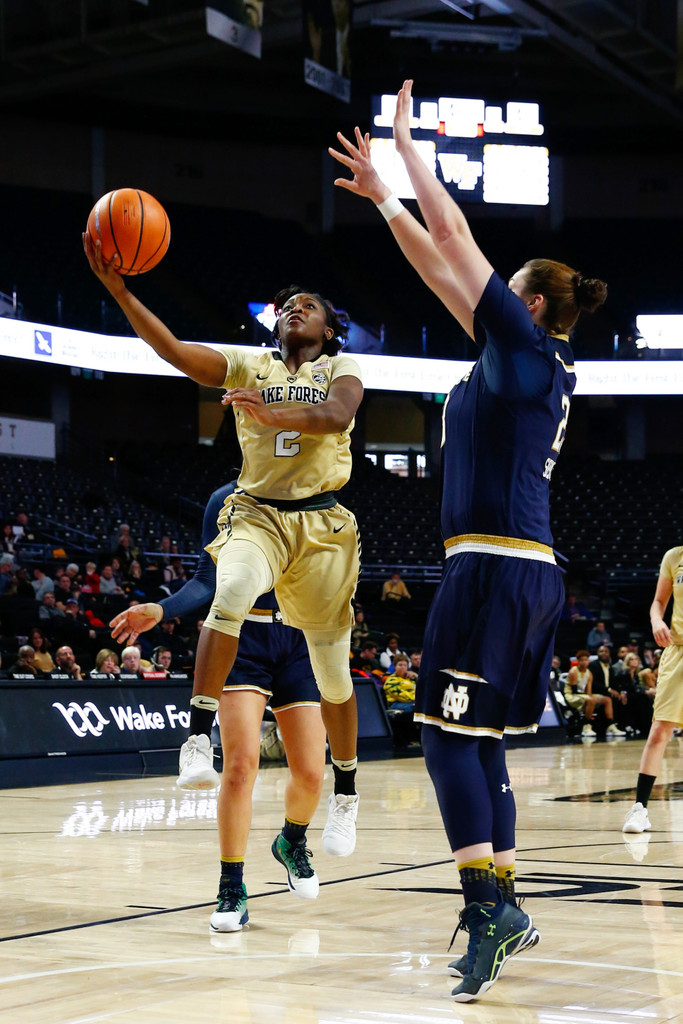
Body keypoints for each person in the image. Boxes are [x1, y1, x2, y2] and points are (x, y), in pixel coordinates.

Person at [330, 79, 608, 1002]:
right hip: (523, 572)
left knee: (442, 742)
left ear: (527, 305)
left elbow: (455, 241)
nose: (483, 295)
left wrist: (408, 146)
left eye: (501, 291)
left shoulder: (523, 353)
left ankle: (488, 907)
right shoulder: (524, 356)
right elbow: (436, 265)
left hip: (491, 570)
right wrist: (383, 202)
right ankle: (503, 907)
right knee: (478, 744)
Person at [84, 244, 364, 879]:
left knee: (335, 676)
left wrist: (275, 413)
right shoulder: (247, 365)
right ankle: (195, 740)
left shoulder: (342, 368)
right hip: (260, 516)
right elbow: (176, 354)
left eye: (309, 305)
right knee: (231, 595)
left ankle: (344, 793)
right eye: (288, 305)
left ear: (327, 328)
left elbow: (336, 414)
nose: (296, 309)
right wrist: (123, 293)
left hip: (322, 524)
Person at [107, 482, 341, 933]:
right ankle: (231, 886)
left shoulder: (321, 494)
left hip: (298, 641)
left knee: (312, 773)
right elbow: (206, 580)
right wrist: (163, 607)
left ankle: (291, 841)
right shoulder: (225, 499)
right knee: (238, 767)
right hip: (241, 637)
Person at [623, 546, 683, 835]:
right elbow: (659, 601)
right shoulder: (674, 557)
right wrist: (657, 620)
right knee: (660, 730)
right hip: (677, 651)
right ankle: (640, 809)